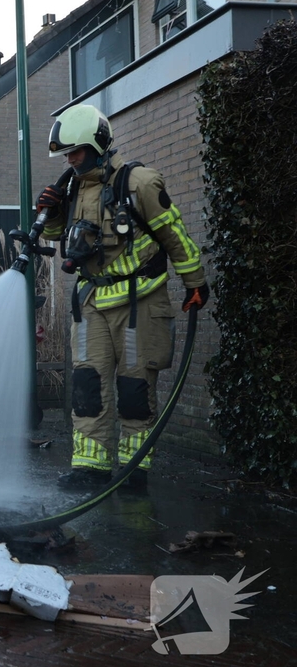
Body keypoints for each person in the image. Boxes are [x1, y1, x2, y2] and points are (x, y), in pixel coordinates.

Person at [36, 104, 209, 490]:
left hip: (138, 303)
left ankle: (134, 472)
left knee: (134, 390)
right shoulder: (73, 187)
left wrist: (195, 282)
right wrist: (50, 213)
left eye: (75, 151)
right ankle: (90, 468)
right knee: (86, 386)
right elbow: (58, 238)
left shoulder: (139, 183)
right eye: (66, 154)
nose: (69, 159)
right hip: (91, 304)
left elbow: (174, 235)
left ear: (96, 144)